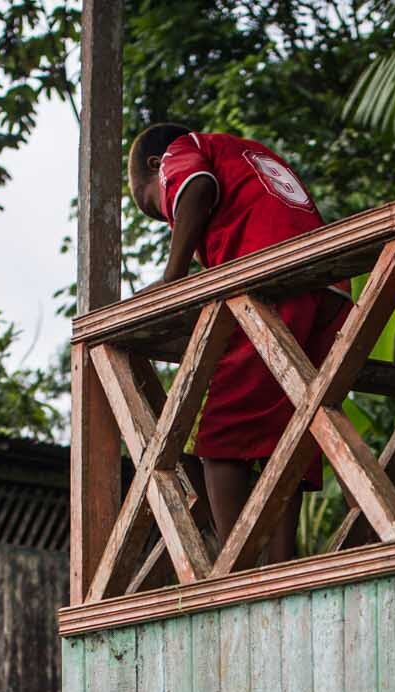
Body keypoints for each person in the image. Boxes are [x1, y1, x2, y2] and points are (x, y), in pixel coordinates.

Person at [128, 123, 349, 569]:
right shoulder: (250, 154)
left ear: (155, 165)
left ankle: (236, 566)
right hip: (327, 289)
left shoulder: (183, 148)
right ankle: (281, 564)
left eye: (155, 203)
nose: (168, 214)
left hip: (270, 280)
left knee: (218, 429)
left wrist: (173, 278)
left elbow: (196, 185)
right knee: (285, 432)